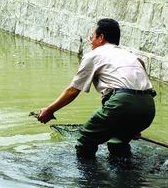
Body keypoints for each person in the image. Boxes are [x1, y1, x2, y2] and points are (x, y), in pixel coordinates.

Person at [38, 18, 156, 158]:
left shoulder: (94, 55)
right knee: (117, 142)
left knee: (85, 140)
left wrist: (50, 110)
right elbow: (138, 90)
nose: (90, 41)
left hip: (121, 103)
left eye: (92, 37)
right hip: (148, 107)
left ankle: (91, 179)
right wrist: (133, 124)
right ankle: (128, 173)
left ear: (101, 37)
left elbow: (73, 90)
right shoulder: (133, 57)